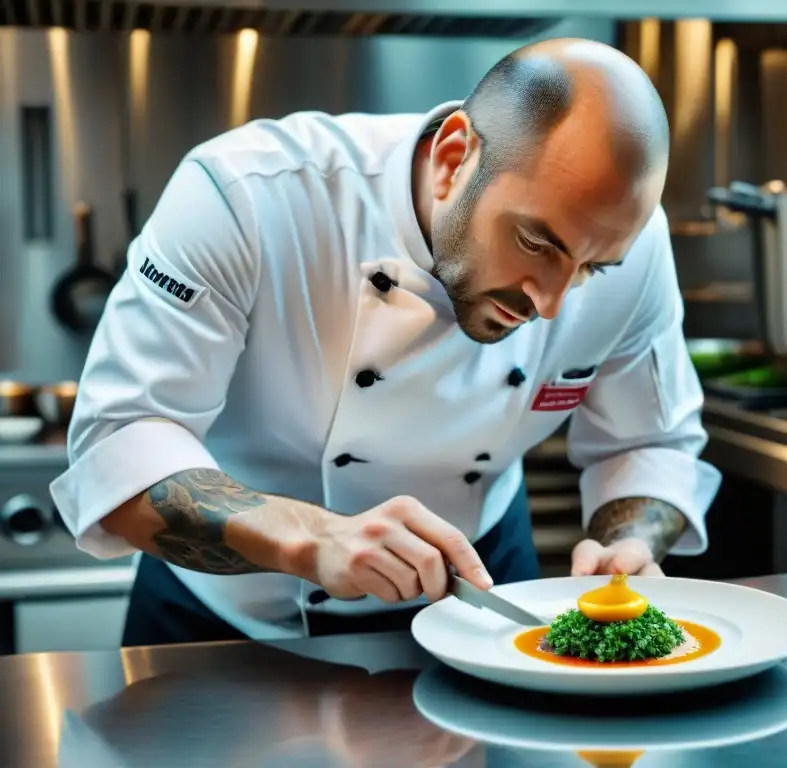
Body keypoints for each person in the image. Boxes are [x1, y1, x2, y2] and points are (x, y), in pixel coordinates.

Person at [50, 37, 722, 647]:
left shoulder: (633, 247)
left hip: (482, 608)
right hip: (220, 627)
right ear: (455, 159)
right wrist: (315, 538)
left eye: (592, 269)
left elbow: (649, 441)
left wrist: (628, 545)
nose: (551, 303)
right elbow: (121, 444)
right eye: (535, 241)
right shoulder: (247, 195)